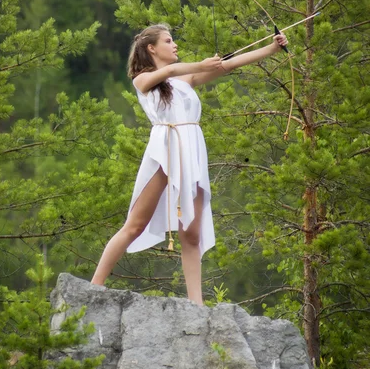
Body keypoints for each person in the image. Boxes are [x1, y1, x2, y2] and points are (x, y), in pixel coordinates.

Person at [91, 23, 288, 305]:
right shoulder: (142, 80)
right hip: (166, 148)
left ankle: (196, 305)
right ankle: (94, 288)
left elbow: (227, 66)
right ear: (151, 48)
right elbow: (170, 71)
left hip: (191, 149)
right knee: (134, 224)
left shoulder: (185, 80)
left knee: (191, 233)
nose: (175, 46)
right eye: (169, 41)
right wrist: (201, 63)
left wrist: (272, 48)